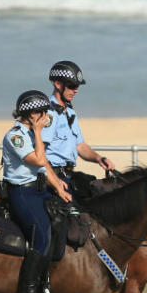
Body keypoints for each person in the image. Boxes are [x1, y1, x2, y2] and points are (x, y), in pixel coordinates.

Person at [1, 90, 72, 293]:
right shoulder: (16, 136)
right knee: (41, 235)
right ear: (30, 114)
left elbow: (45, 166)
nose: (45, 116)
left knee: (62, 219)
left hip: (38, 189)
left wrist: (58, 186)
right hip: (21, 193)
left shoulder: (32, 133)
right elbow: (39, 159)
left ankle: (47, 283)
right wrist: (39, 132)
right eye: (41, 112)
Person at [41, 60, 115, 198]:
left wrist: (99, 158)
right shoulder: (49, 114)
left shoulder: (69, 112)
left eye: (77, 86)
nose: (76, 90)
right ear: (57, 84)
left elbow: (80, 146)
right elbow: (39, 153)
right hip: (53, 178)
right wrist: (55, 182)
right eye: (72, 86)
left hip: (68, 175)